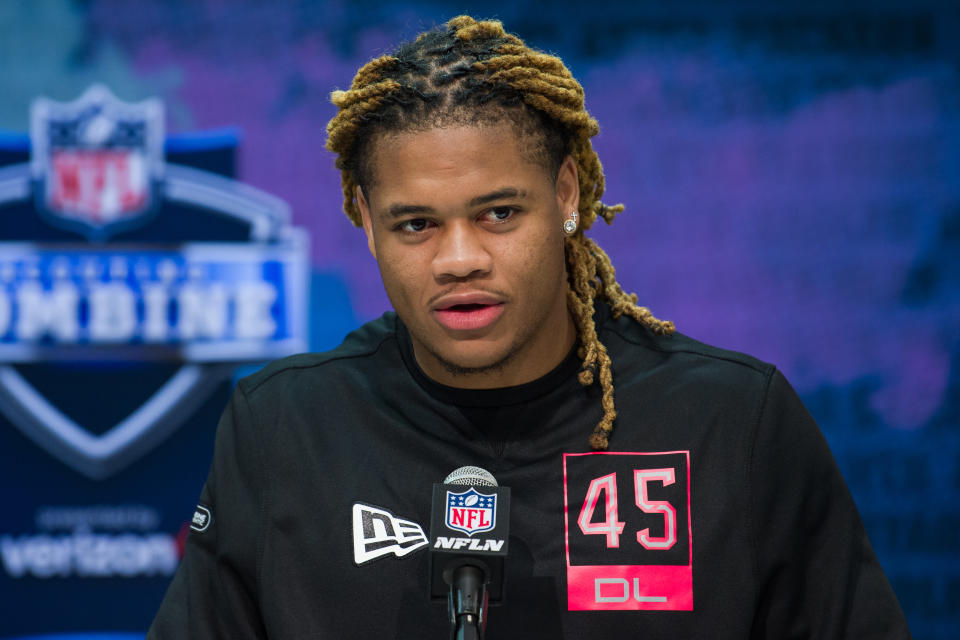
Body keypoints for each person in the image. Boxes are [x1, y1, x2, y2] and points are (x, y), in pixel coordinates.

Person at [148, 15, 911, 638]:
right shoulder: (285, 427)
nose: (458, 259)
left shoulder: (731, 422)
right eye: (415, 224)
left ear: (568, 195)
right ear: (364, 221)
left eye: (499, 214)